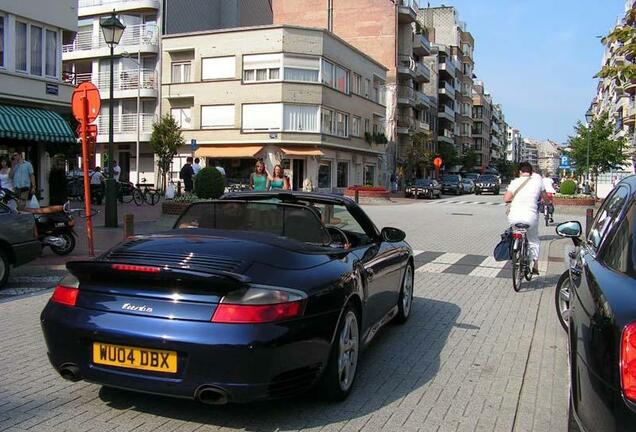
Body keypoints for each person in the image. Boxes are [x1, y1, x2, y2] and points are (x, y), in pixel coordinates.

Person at [503, 162, 547, 275]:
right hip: (530, 217)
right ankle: (535, 265)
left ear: (520, 172)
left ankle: (516, 248)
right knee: (533, 240)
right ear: (531, 172)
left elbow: (506, 198)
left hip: (514, 217)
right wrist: (545, 201)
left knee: (515, 232)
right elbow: (546, 198)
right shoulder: (538, 181)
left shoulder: (515, 182)